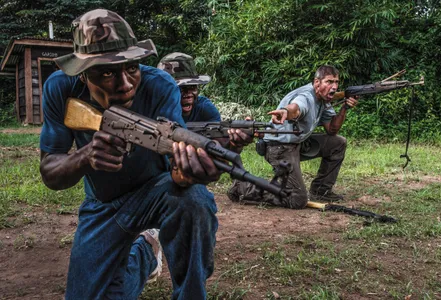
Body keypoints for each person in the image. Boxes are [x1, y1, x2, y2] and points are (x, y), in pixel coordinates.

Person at [39, 9, 222, 299]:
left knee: (195, 200)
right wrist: (85, 156)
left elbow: (177, 169)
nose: (125, 84)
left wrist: (195, 170)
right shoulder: (61, 90)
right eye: (108, 72)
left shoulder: (160, 86)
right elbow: (50, 172)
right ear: (82, 74)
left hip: (158, 194)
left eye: (133, 68)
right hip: (103, 205)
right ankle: (147, 253)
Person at [227, 65, 358, 209]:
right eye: (329, 82)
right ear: (317, 83)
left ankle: (321, 190)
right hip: (279, 148)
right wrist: (285, 111)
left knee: (337, 143)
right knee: (297, 199)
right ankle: (242, 188)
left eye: (336, 82)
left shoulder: (323, 100)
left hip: (298, 143)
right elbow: (295, 108)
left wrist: (345, 108)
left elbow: (332, 129)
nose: (334, 87)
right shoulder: (306, 97)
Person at [157, 52, 252, 152]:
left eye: (192, 87)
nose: (188, 94)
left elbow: (222, 147)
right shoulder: (151, 108)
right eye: (181, 88)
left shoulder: (204, 108)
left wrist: (235, 144)